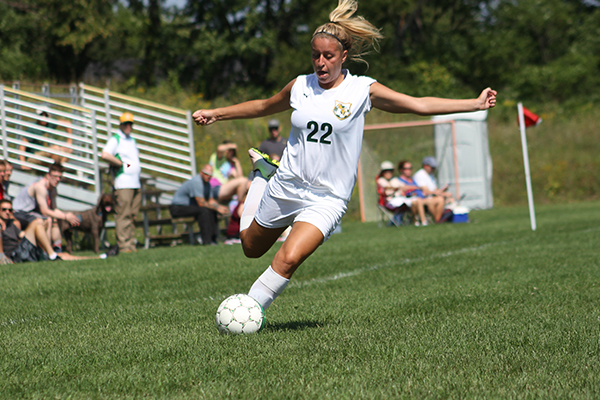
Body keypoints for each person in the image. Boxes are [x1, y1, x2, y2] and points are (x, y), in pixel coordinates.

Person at [192, 0, 496, 312]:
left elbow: (418, 103)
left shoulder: (363, 90)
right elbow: (262, 106)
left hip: (327, 197)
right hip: (285, 185)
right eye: (315, 56)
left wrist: (473, 103)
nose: (320, 63)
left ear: (343, 56)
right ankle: (262, 177)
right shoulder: (300, 86)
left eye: (328, 56)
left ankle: (248, 312)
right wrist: (217, 114)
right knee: (250, 248)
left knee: (289, 258)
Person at [13, 163, 80, 251]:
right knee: (47, 219)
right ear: (48, 175)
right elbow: (45, 211)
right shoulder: (40, 187)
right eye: (55, 176)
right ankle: (47, 251)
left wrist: (67, 216)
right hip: (20, 212)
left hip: (31, 213)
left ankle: (57, 248)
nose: (57, 179)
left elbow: (54, 209)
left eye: (60, 177)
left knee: (55, 219)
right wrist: (65, 217)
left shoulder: (53, 189)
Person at [101, 112, 142, 253]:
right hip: (123, 182)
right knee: (123, 214)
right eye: (126, 124)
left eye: (130, 124)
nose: (128, 126)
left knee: (133, 215)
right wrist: (119, 163)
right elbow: (105, 154)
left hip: (135, 182)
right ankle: (124, 246)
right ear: (121, 124)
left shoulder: (132, 140)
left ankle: (131, 244)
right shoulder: (116, 139)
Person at [170, 164, 229, 246]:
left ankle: (213, 239)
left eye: (210, 175)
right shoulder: (197, 181)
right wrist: (217, 208)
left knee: (211, 211)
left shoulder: (207, 184)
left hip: (189, 207)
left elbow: (211, 201)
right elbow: (201, 203)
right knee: (203, 211)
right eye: (206, 174)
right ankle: (206, 241)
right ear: (201, 172)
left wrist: (220, 207)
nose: (208, 177)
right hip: (177, 208)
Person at [376, 161, 427, 226]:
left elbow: (404, 187)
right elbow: (388, 187)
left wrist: (418, 188)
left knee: (417, 200)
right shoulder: (381, 180)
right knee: (410, 202)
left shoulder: (395, 180)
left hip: (400, 199)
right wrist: (399, 188)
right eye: (386, 171)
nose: (388, 173)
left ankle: (420, 221)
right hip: (390, 201)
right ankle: (415, 220)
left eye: (390, 171)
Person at [208, 141, 249, 205]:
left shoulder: (230, 165)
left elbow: (240, 178)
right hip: (215, 187)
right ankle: (239, 205)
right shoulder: (218, 158)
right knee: (244, 180)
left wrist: (237, 163)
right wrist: (232, 145)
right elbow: (219, 148)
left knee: (245, 183)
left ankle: (239, 205)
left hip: (224, 189)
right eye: (230, 150)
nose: (231, 153)